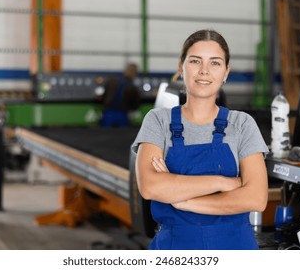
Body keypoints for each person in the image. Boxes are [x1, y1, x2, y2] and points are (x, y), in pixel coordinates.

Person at [131, 29, 269, 250]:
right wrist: (222, 182)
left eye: (215, 63)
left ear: (226, 72)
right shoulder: (158, 120)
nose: (204, 71)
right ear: (181, 67)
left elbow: (255, 198)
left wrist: (183, 200)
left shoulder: (242, 124)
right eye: (195, 61)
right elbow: (150, 187)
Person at [100, 63, 141, 127]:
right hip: (119, 113)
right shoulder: (132, 86)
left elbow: (104, 95)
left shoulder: (112, 81)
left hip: (113, 112)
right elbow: (136, 102)